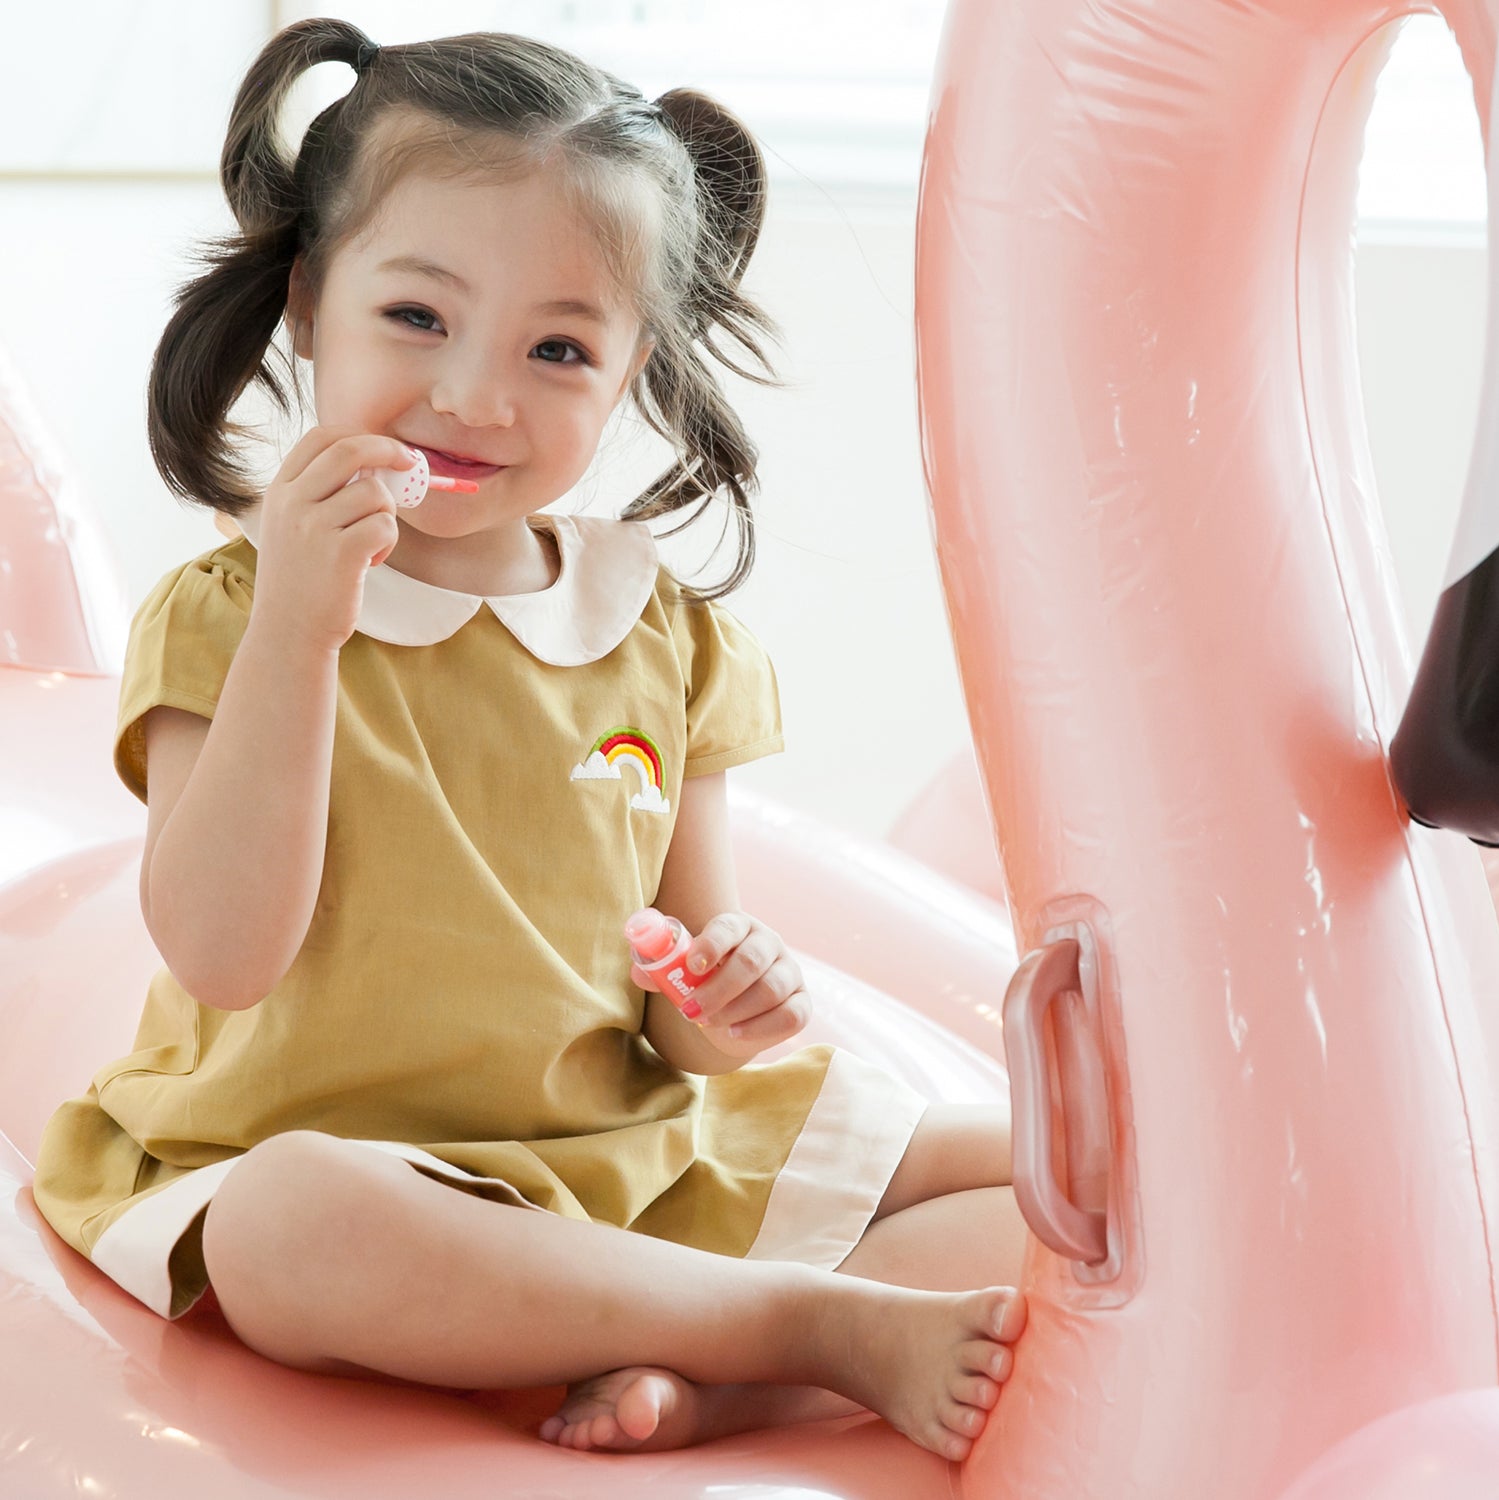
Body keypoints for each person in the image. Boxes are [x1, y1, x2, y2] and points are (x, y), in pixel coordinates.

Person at [32, 17, 1027, 1461]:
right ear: (309, 304)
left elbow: (681, 1019)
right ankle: (803, 1329)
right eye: (417, 317)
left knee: (1051, 1169)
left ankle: (708, 1369)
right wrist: (304, 627)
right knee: (287, 1226)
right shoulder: (233, 612)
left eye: (559, 348)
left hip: (621, 1153)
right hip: (362, 1168)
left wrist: (731, 995)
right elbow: (221, 953)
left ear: (630, 372)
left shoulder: (658, 634)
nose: (476, 398)